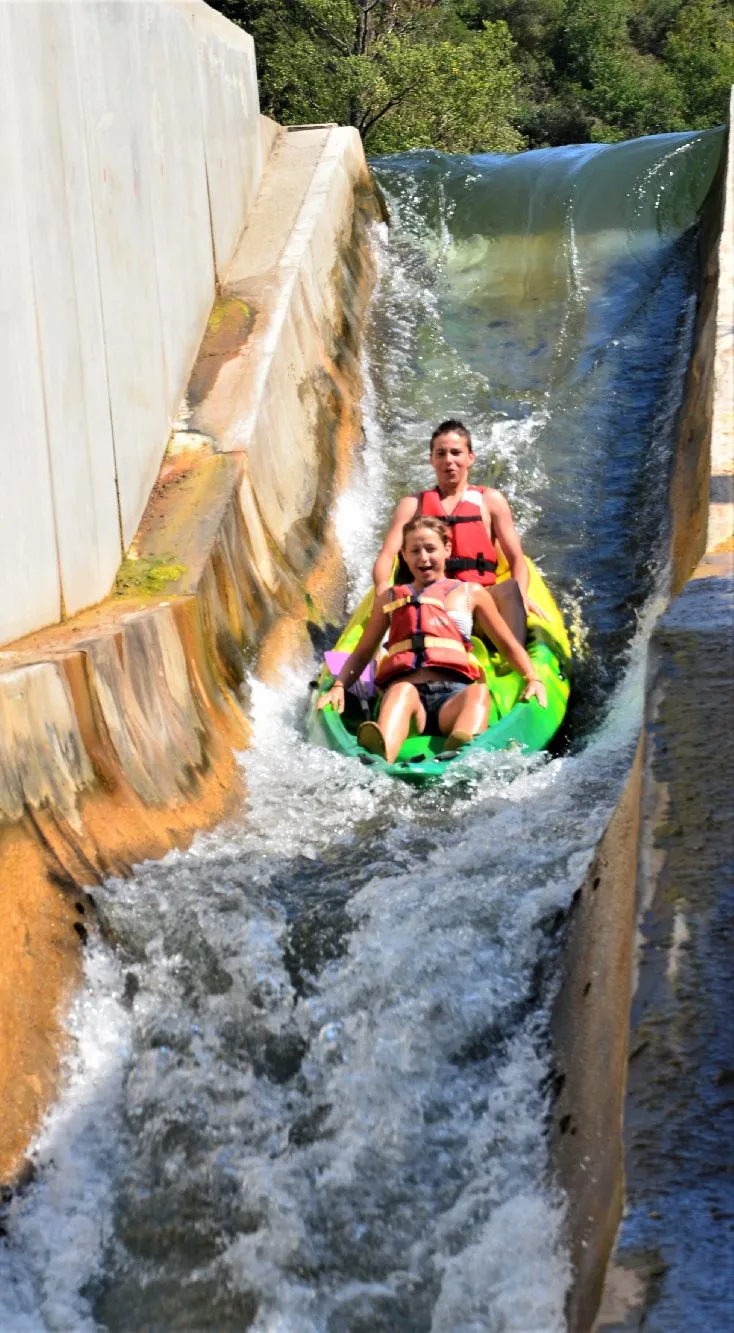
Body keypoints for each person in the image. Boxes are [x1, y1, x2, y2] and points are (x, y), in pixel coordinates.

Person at [318, 515, 547, 763]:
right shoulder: (390, 597)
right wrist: (339, 686)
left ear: (447, 550)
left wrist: (532, 677)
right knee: (402, 692)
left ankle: (462, 754)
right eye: (414, 551)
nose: (423, 557)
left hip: (453, 697)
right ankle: (380, 759)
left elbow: (508, 644)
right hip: (409, 696)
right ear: (404, 556)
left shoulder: (471, 593)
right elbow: (363, 652)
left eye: (430, 549)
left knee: (478, 694)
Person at [372, 419, 544, 644]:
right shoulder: (413, 505)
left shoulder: (490, 501)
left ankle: (518, 667)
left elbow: (517, 562)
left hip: (479, 604)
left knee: (511, 588)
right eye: (441, 454)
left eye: (456, 453)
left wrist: (521, 597)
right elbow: (386, 556)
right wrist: (382, 591)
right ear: (431, 459)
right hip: (428, 603)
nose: (449, 461)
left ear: (470, 458)